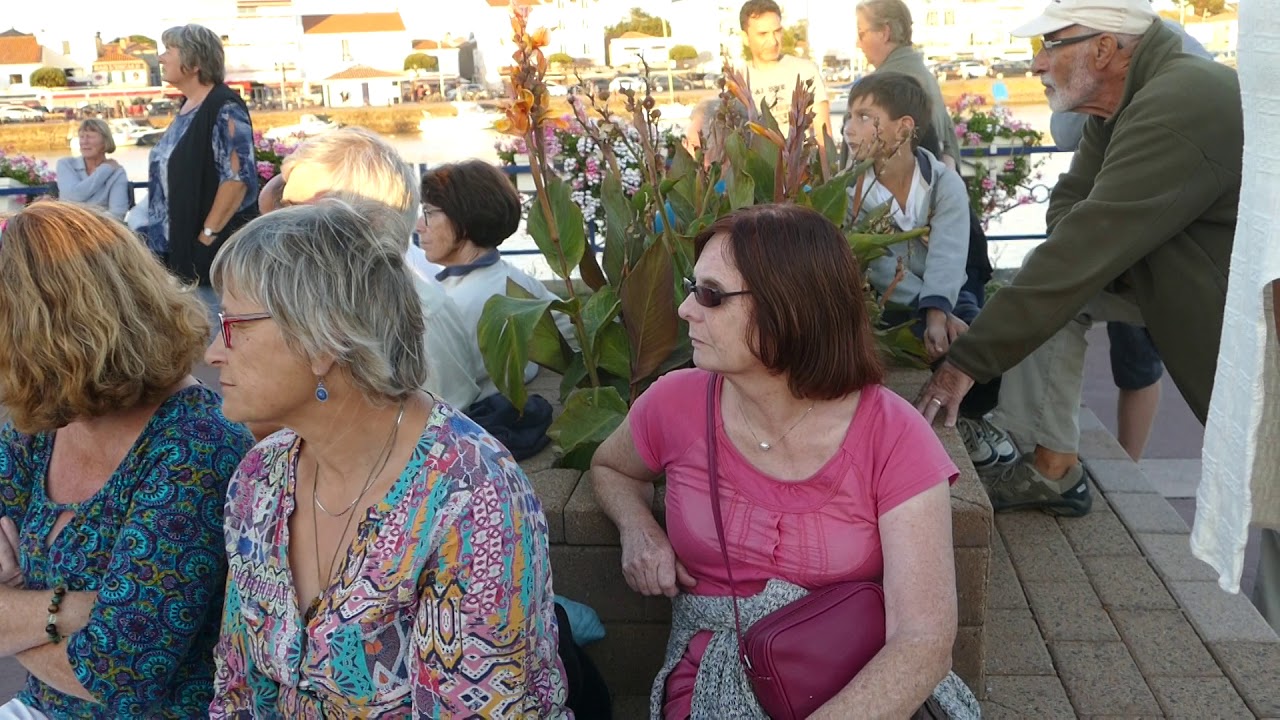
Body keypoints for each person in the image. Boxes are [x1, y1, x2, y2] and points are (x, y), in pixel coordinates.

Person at [591, 204, 971, 718]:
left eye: (710, 295)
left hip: (856, 676)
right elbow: (611, 467)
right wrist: (637, 526)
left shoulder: (892, 433)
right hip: (716, 672)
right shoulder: (675, 402)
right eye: (691, 286)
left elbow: (923, 639)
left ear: (789, 309)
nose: (684, 309)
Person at [205, 199, 570, 717]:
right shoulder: (260, 478)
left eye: (235, 325)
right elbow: (237, 686)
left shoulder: (470, 495)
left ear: (322, 339)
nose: (214, 352)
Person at [916, 0, 1242, 517]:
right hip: (1217, 308)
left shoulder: (1179, 103)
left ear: (1105, 49)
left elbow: (1079, 248)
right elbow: (1068, 215)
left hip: (1258, 340)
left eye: (1050, 45)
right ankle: (1052, 468)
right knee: (1059, 283)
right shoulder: (1115, 111)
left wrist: (965, 364)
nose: (1036, 64)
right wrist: (1111, 248)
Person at [0, 202, 254, 719]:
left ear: (51, 337)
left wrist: (12, 611)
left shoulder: (195, 448)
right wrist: (75, 609)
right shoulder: (48, 418)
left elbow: (120, 673)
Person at [1047, 18, 1213, 462]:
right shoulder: (1184, 48)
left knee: (1160, 361)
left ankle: (1093, 462)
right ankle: (1112, 463)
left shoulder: (1179, 74)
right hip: (1124, 240)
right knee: (1140, 361)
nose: (1040, 62)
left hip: (1149, 242)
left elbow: (1063, 133)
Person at [844, 72, 1015, 472]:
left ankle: (972, 419)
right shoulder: (852, 189)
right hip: (888, 301)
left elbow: (950, 252)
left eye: (865, 117)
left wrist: (940, 309)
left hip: (947, 292)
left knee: (977, 335)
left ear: (904, 127)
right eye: (849, 117)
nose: (850, 129)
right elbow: (883, 269)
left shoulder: (943, 183)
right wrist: (931, 312)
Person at [271, 126, 483, 410]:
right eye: (284, 209)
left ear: (369, 219)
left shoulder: (413, 319)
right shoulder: (342, 300)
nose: (277, 226)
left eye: (300, 211)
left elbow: (427, 441)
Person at [420, 160, 576, 392]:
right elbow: (572, 335)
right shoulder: (512, 278)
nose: (419, 225)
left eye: (428, 213)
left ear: (463, 218)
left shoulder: (457, 304)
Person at [145, 24, 259, 289]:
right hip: (177, 253)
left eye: (168, 51)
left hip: (209, 259)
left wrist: (206, 238)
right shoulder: (187, 107)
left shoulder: (224, 106)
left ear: (194, 61)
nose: (161, 58)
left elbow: (237, 178)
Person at [854, 0, 960, 170]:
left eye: (861, 33)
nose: (858, 44)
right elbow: (949, 147)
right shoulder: (925, 76)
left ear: (884, 32)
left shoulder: (883, 86)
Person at [738, 0, 831, 152]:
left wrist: (828, 175)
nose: (773, 41)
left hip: (801, 171)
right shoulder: (738, 80)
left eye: (777, 31)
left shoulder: (805, 71)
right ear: (745, 37)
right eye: (763, 34)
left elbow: (824, 137)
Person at [54, 119, 129, 220]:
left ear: (104, 142)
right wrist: (104, 170)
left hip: (102, 231)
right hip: (68, 228)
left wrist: (89, 227)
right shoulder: (65, 164)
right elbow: (72, 197)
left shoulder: (117, 173)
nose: (84, 142)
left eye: (91, 137)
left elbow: (118, 213)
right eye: (81, 137)